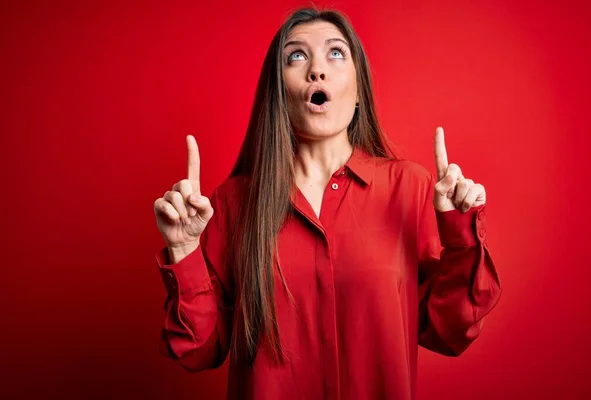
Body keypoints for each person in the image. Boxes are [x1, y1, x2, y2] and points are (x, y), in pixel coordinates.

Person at [152, 7, 501, 400]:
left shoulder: (410, 187)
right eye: (296, 56)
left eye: (336, 53)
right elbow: (198, 350)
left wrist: (461, 237)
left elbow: (449, 331)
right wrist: (184, 250)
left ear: (357, 89)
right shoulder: (233, 203)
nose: (317, 69)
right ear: (278, 93)